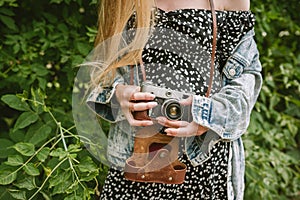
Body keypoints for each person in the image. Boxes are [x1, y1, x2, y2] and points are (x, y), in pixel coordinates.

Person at [86, 0, 262, 199]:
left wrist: (205, 117)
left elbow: (246, 84)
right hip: (135, 162)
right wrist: (117, 94)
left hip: (203, 166)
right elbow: (100, 71)